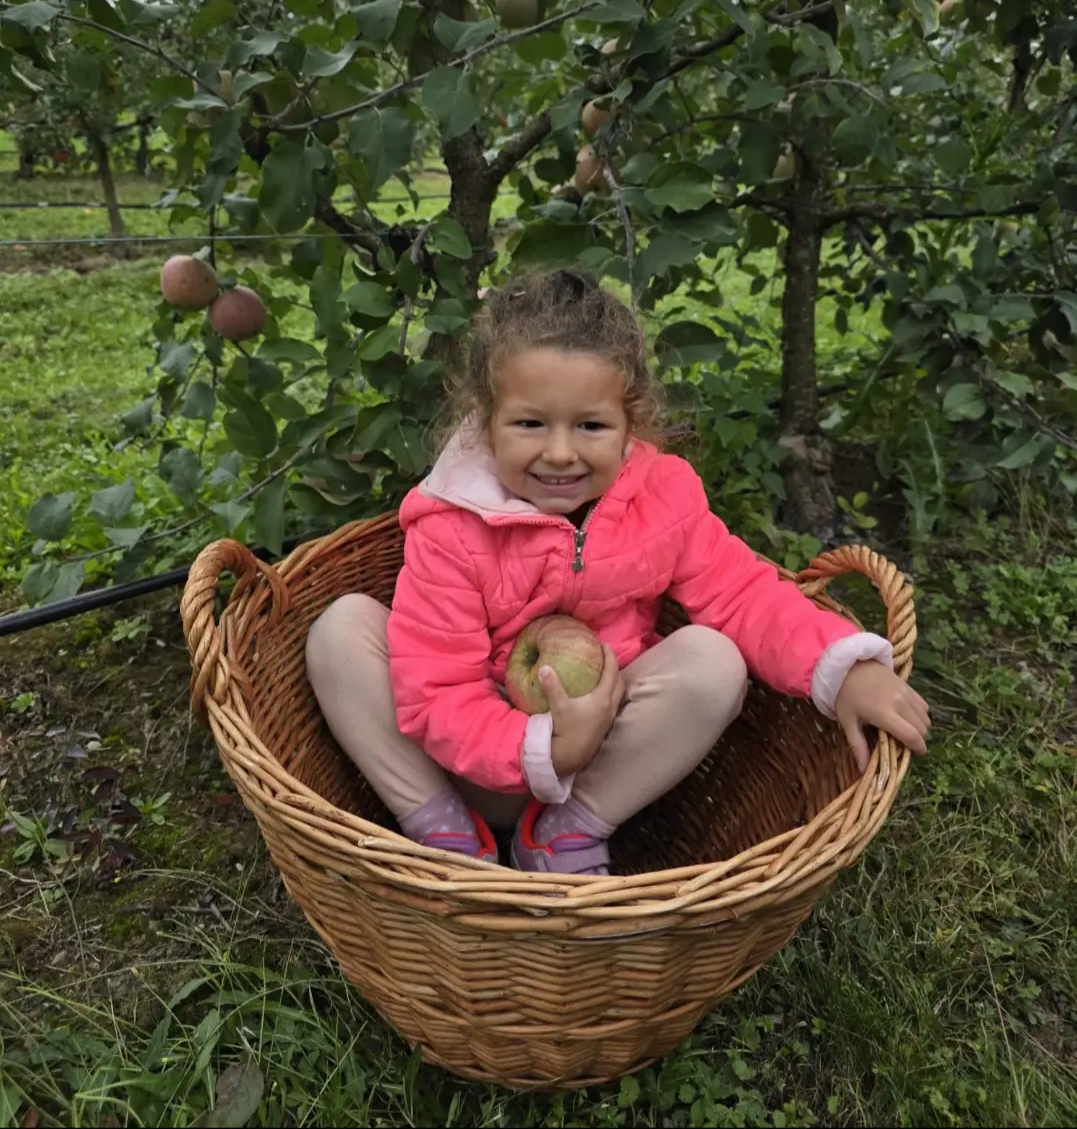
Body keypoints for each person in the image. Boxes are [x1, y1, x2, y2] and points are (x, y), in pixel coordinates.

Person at [306, 268, 930, 875]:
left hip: (604, 763)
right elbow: (436, 690)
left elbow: (742, 593)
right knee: (341, 631)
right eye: (529, 424)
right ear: (486, 424)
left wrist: (841, 668)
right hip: (470, 761)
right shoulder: (452, 526)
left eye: (591, 426)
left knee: (714, 661)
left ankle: (565, 832)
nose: (560, 452)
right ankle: (444, 831)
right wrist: (541, 748)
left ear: (632, 423)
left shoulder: (663, 499)